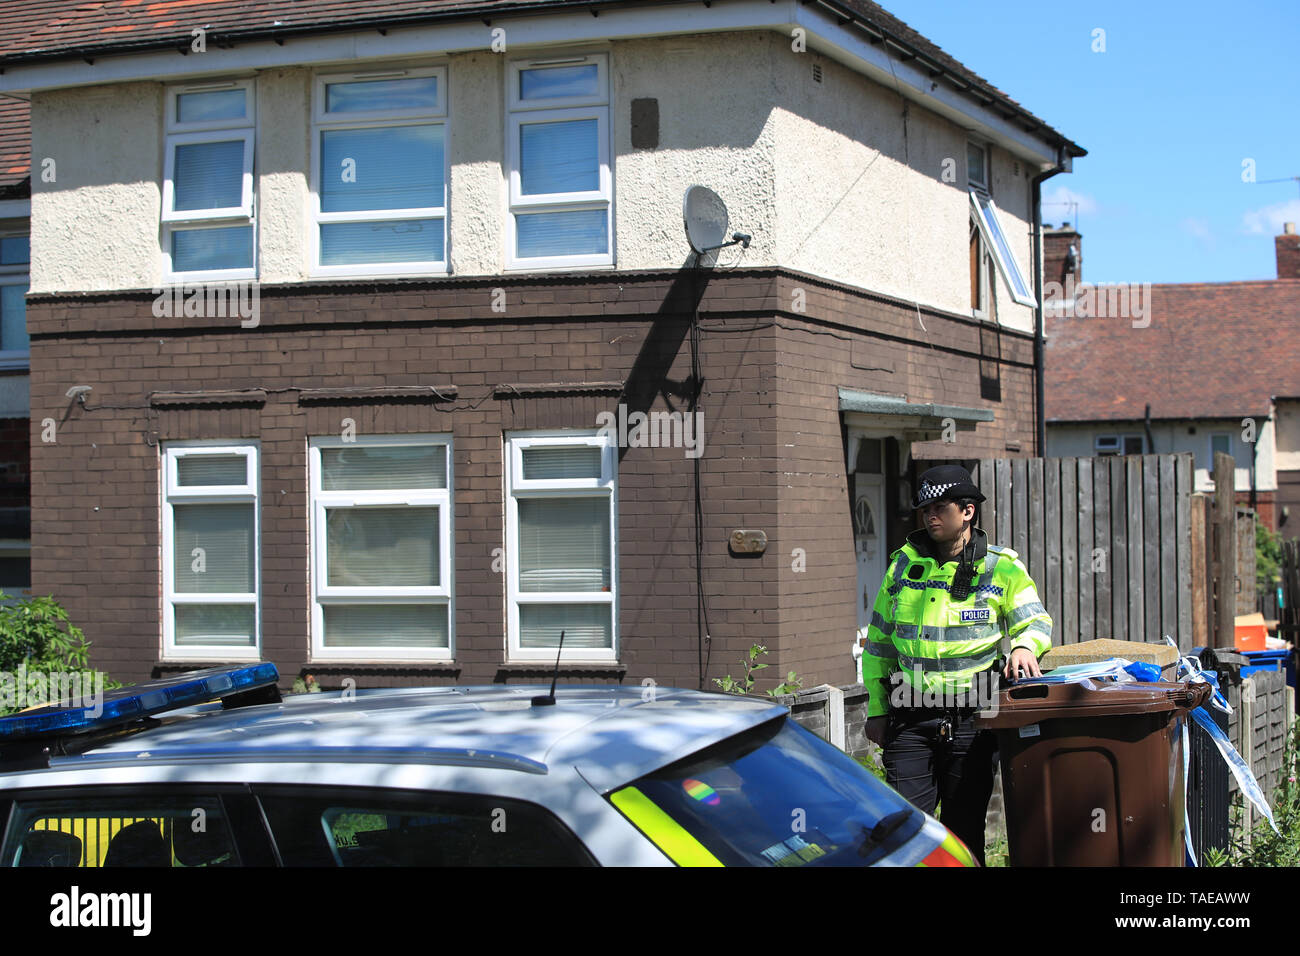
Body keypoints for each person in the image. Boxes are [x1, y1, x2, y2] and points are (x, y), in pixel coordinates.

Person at [860, 464, 1052, 865]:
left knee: (964, 831)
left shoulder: (1001, 567)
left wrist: (1024, 648)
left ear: (967, 511)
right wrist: (877, 710)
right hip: (908, 719)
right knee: (904, 830)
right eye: (925, 508)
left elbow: (1035, 620)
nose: (930, 515)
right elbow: (878, 646)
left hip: (972, 721)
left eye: (940, 507)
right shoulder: (901, 566)